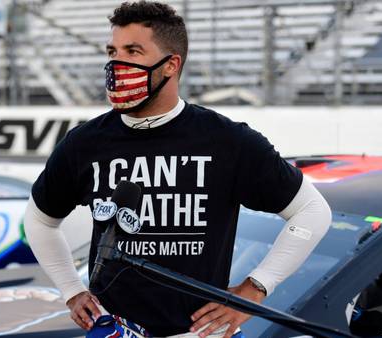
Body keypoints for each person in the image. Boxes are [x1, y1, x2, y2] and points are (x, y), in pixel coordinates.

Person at [24, 1, 332, 337]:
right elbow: (39, 220)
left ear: (171, 65)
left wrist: (255, 288)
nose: (116, 63)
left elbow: (312, 211)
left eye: (133, 51)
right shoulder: (84, 143)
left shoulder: (227, 140)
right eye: (112, 51)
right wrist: (71, 289)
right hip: (114, 329)